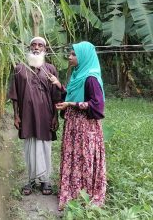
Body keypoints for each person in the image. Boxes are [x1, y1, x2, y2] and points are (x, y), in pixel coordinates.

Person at [50, 41, 106, 210]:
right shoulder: (77, 75)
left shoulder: (90, 78)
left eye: (74, 54)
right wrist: (60, 86)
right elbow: (74, 94)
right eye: (70, 54)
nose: (70, 57)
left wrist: (71, 105)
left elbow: (97, 106)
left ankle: (84, 192)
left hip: (85, 127)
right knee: (74, 157)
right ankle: (73, 190)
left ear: (84, 57)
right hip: (74, 125)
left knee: (83, 157)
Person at [8, 36, 61, 195]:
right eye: (33, 45)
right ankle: (31, 180)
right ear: (29, 47)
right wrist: (16, 116)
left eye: (40, 45)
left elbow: (56, 95)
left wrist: (55, 117)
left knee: (45, 147)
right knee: (30, 147)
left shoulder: (50, 69)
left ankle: (45, 181)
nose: (36, 47)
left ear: (44, 49)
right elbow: (15, 95)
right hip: (27, 115)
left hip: (46, 115)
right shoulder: (19, 68)